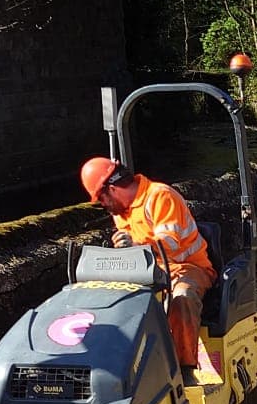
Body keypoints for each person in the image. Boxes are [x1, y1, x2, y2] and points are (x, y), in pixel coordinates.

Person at [80, 157, 216, 372]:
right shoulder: (122, 212)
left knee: (182, 298)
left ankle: (183, 369)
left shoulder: (160, 196)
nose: (103, 205)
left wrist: (136, 245)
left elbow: (170, 243)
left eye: (101, 199)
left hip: (188, 268)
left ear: (112, 189)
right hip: (149, 272)